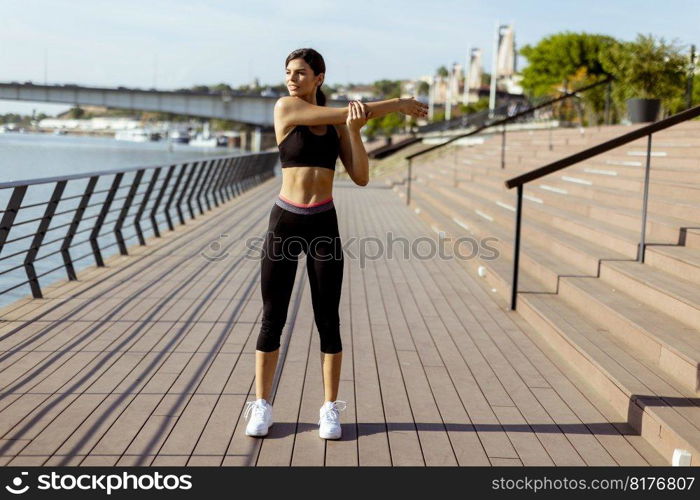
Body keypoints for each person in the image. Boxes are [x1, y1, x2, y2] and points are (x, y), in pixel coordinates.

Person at [243, 48, 428, 440]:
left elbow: (360, 176)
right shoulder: (285, 109)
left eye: (301, 73)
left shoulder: (339, 125)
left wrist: (357, 132)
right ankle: (262, 404)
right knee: (272, 318)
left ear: (319, 77)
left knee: (328, 319)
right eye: (288, 72)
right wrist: (397, 104)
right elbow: (340, 112)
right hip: (285, 222)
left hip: (323, 223)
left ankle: (329, 408)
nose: (292, 79)